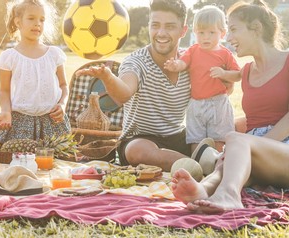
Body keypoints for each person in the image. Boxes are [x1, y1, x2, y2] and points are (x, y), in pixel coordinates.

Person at [76, 0, 191, 171]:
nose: (161, 33)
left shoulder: (189, 61)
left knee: (226, 129)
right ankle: (197, 166)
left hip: (178, 136)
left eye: (169, 26)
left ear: (183, 31)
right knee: (137, 152)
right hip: (140, 139)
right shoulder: (136, 62)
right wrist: (107, 77)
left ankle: (194, 162)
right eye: (155, 25)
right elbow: (123, 94)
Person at [190, 0, 289, 172]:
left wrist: (256, 145)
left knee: (234, 152)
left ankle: (219, 173)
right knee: (232, 147)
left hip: (277, 149)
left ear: (256, 28)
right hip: (255, 150)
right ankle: (209, 184)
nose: (228, 38)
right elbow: (263, 115)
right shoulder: (247, 71)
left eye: (234, 29)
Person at [163, 5, 241, 153]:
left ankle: (218, 165)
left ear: (222, 33)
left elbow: (237, 75)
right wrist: (175, 65)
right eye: (201, 32)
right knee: (195, 139)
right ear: (195, 33)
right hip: (196, 103)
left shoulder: (225, 54)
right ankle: (197, 166)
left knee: (219, 139)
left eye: (211, 32)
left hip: (218, 102)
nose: (206, 37)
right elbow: (183, 63)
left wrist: (223, 74)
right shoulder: (192, 50)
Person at [0, 0, 71, 143]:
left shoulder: (54, 54)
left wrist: (62, 104)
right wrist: (5, 111)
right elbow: (4, 91)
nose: (38, 24)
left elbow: (63, 86)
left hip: (52, 122)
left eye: (42, 20)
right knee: (19, 162)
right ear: (18, 22)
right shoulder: (9, 57)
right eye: (31, 18)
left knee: (56, 162)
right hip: (20, 123)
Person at [171, 132, 289, 214]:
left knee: (237, 140)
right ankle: (205, 189)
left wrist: (247, 144)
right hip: (269, 153)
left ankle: (230, 194)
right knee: (233, 163)